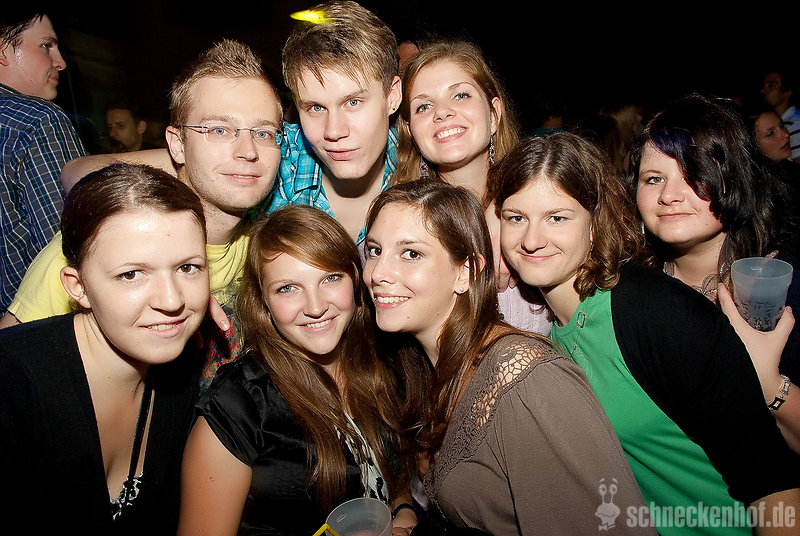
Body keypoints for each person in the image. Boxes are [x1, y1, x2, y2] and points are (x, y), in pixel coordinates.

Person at [495, 132, 800, 535]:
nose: (532, 240)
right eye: (516, 218)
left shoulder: (654, 311)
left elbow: (773, 482)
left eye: (557, 218)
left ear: (594, 223)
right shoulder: (546, 335)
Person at [362, 180, 650, 535]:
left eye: (411, 254)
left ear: (466, 272)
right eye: (374, 250)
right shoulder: (425, 367)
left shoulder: (529, 382)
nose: (378, 273)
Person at [1, 39, 283, 386]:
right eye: (219, 130)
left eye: (263, 132)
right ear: (177, 144)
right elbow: (11, 360)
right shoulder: (106, 244)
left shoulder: (262, 241)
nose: (248, 151)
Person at [178, 205, 416, 536]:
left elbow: (392, 480)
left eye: (330, 278)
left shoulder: (382, 361)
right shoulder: (237, 407)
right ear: (262, 300)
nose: (316, 307)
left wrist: (403, 513)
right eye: (287, 288)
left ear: (354, 277)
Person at [0, 163, 208, 533]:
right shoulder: (12, 383)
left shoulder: (185, 373)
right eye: (131, 274)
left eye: (188, 268)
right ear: (77, 286)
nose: (172, 300)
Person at [626, 93, 800, 450]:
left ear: (736, 178)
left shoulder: (784, 283)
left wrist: (769, 384)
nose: (669, 195)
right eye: (654, 179)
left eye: (693, 173)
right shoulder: (628, 287)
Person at [393, 38, 550, 335]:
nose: (442, 112)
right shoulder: (398, 225)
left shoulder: (542, 201)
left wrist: (511, 213)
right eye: (423, 106)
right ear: (411, 132)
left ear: (493, 114)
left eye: (461, 95)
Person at [267, 0, 402, 245]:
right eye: (316, 108)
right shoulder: (270, 163)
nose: (334, 131)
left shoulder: (429, 167)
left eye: (353, 102)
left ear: (392, 96)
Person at [0, 8, 85, 315]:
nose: (60, 62)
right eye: (46, 46)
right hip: (38, 331)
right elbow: (72, 247)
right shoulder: (38, 121)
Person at [761, 70, 800, 163]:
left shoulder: (795, 124)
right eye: (764, 85)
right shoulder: (785, 121)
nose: (763, 90)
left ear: (787, 92)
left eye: (771, 85)